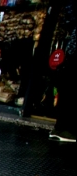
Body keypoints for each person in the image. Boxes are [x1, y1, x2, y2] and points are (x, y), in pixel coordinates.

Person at [50, 0, 76, 142]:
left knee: (68, 86)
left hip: (73, 46)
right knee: (71, 88)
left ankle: (60, 127)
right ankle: (67, 129)